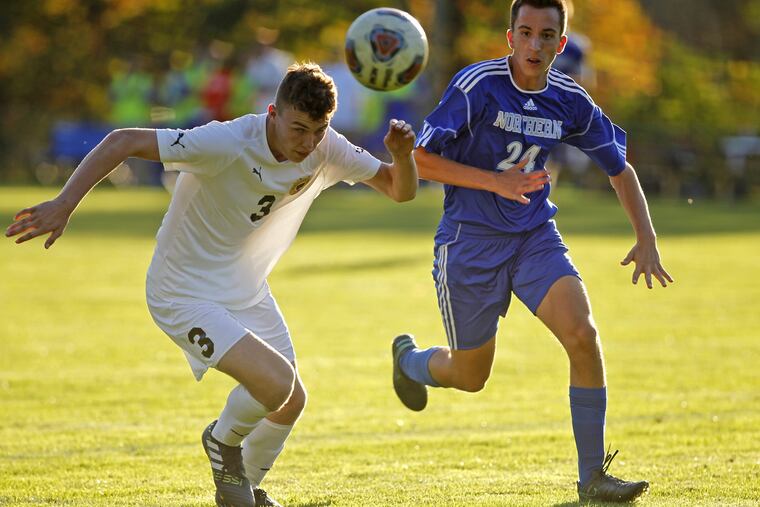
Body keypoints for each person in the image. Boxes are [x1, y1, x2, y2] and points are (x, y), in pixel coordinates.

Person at [6, 62, 418, 507]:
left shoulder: (326, 146)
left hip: (245, 290)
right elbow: (122, 141)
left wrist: (403, 155)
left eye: (318, 130)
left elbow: (400, 189)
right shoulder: (227, 141)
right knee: (276, 384)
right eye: (298, 128)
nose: (308, 143)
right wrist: (65, 203)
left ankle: (243, 491)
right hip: (181, 293)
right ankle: (221, 443)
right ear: (272, 113)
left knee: (289, 400)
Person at [391, 0, 672, 503]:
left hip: (534, 237)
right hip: (469, 244)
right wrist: (493, 182)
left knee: (583, 335)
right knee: (470, 375)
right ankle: (411, 361)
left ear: (561, 44)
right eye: (526, 32)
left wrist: (646, 237)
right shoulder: (477, 86)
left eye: (547, 35)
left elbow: (619, 169)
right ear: (510, 37)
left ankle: (593, 478)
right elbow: (419, 159)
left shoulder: (569, 98)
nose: (535, 45)